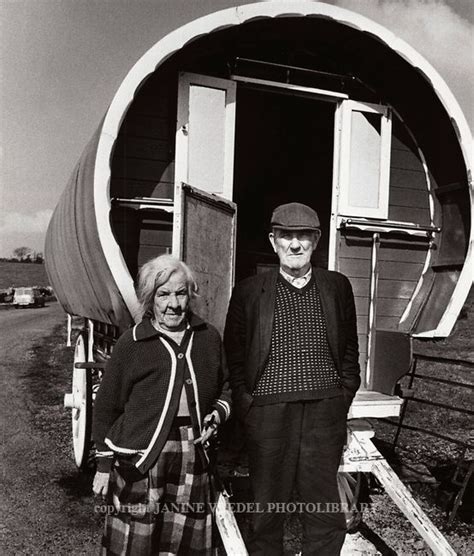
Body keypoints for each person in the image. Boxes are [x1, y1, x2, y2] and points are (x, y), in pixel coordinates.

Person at [224, 202, 360, 555]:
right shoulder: (250, 290)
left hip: (324, 410)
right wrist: (247, 404)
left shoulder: (336, 287)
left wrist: (342, 395)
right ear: (273, 241)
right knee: (268, 509)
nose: (295, 245)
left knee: (325, 510)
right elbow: (234, 356)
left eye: (304, 237)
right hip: (268, 412)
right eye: (287, 236)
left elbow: (349, 351)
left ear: (316, 241)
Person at [92, 254, 231, 555]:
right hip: (143, 453)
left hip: (193, 452)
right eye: (163, 294)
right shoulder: (133, 343)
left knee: (186, 538)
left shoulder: (208, 338)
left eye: (180, 293)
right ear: (149, 299)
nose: (173, 304)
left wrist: (216, 415)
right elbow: (105, 407)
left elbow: (227, 387)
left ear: (190, 295)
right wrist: (103, 465)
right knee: (138, 536)